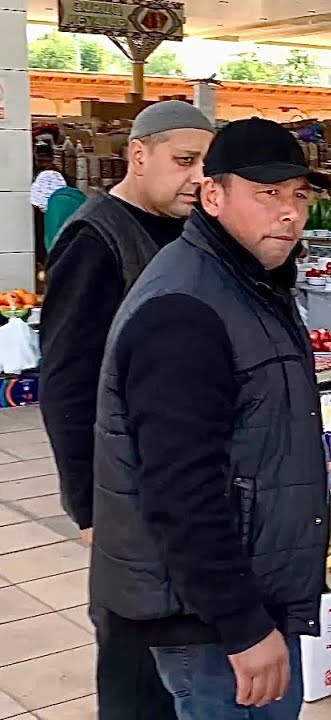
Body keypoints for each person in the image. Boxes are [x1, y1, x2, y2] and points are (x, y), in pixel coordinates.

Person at [89, 117, 331, 719]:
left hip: (246, 594)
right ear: (215, 195)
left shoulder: (247, 283)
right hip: (210, 623)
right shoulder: (186, 309)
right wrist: (243, 626)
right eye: (267, 193)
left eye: (299, 195)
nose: (290, 213)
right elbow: (180, 490)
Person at [39, 99, 215, 720]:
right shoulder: (97, 238)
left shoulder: (190, 230)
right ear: (138, 157)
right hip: (125, 492)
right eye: (184, 161)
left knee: (182, 648)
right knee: (136, 652)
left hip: (180, 481)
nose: (198, 177)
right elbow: (64, 379)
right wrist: (88, 505)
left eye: (207, 164)